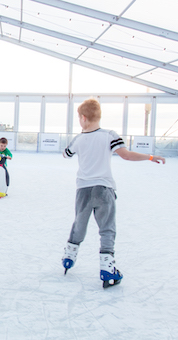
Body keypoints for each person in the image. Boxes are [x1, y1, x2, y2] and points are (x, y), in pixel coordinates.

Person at [61, 98, 165, 288]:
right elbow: (125, 155)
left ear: (83, 118)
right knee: (107, 228)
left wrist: (80, 139)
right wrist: (150, 156)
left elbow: (66, 154)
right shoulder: (109, 135)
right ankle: (107, 268)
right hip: (104, 189)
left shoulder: (79, 139)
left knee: (79, 223)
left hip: (83, 191)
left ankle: (69, 256)